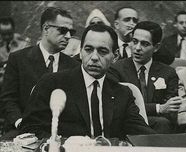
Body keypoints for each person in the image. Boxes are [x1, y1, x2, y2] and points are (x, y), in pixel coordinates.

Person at [19, 24, 156, 139]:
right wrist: (64, 145)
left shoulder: (122, 93)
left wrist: (169, 147)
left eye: (102, 51)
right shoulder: (52, 84)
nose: (94, 57)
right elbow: (29, 128)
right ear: (81, 51)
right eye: (89, 49)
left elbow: (142, 133)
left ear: (115, 56)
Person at [0, 7, 79, 134]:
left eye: (71, 31)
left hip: (61, 133)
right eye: (63, 30)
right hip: (22, 131)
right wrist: (19, 122)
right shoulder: (19, 59)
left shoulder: (74, 66)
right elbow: (8, 99)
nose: (69, 36)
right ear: (46, 29)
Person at [109, 21, 182, 133]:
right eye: (134, 41)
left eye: (145, 44)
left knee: (163, 123)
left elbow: (170, 110)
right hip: (127, 126)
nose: (137, 48)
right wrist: (159, 108)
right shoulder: (116, 69)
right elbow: (119, 107)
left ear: (156, 47)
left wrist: (163, 110)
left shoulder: (168, 73)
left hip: (158, 127)